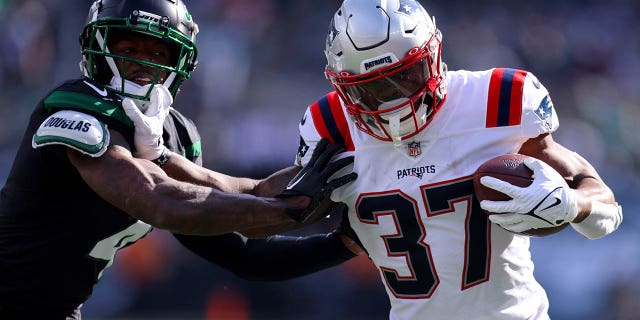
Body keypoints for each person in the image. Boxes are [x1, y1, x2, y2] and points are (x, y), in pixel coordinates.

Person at [0, 0, 361, 319]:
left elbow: (245, 250)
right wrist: (289, 209)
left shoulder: (175, 134)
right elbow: (160, 200)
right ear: (98, 49)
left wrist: (344, 237)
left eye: (158, 54)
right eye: (127, 47)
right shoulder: (74, 105)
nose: (140, 63)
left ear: (180, 61)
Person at [291, 0, 624, 319]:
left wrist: (571, 204)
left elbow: (606, 211)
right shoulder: (330, 128)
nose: (394, 98)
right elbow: (268, 234)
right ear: (341, 84)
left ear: (433, 52)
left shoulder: (498, 100)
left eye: (405, 75)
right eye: (372, 88)